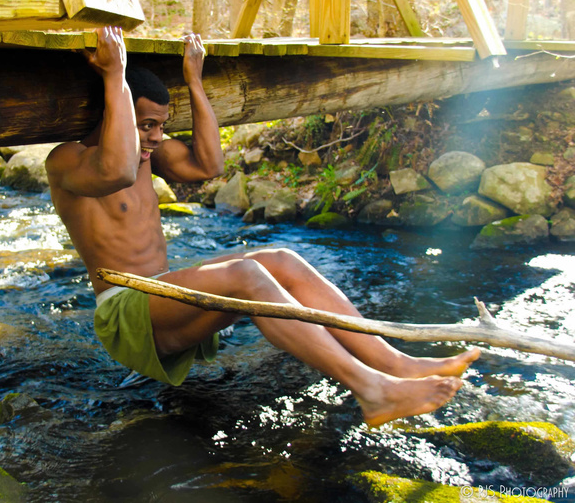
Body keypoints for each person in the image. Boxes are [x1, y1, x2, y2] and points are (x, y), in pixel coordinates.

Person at [46, 26, 480, 427]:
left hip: (164, 296)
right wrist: (115, 75)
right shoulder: (70, 161)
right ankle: (373, 391)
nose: (158, 138)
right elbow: (115, 171)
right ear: (116, 113)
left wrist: (194, 81)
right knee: (247, 274)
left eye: (162, 126)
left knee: (281, 260)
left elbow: (209, 164)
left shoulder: (143, 153)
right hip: (126, 313)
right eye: (147, 126)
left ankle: (396, 364)